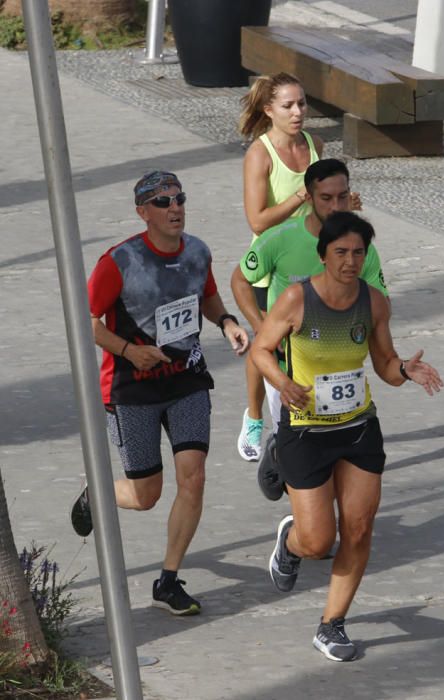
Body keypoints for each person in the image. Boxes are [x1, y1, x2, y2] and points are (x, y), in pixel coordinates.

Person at [251, 211, 443, 661]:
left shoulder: (374, 302)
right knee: (318, 542)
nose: (350, 261)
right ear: (324, 255)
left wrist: (405, 371)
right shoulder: (297, 299)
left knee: (357, 529)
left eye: (359, 252)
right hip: (305, 430)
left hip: (357, 429)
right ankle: (290, 541)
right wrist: (282, 384)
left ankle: (331, 624)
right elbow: (261, 350)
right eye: (341, 252)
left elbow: (384, 364)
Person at [71, 171, 250, 616]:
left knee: (194, 476)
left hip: (187, 380)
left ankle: (168, 580)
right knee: (146, 494)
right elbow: (86, 322)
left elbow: (206, 297)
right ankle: (98, 490)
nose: (175, 208)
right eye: (162, 201)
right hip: (132, 389)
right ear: (142, 213)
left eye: (179, 198)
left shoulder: (197, 251)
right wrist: (130, 351)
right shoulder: (119, 262)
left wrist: (226, 322)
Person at [231, 158, 387, 500]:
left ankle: (283, 464)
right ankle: (286, 474)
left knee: (328, 463)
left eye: (342, 197)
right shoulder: (280, 238)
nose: (335, 206)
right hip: (288, 368)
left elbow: (377, 305)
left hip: (340, 369)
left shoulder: (360, 248)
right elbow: (240, 279)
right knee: (302, 453)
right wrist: (263, 329)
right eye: (326, 198)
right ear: (309, 198)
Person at [236, 71, 323, 463]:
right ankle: (255, 417)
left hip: (313, 261)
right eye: (288, 105)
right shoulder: (260, 153)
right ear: (269, 110)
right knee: (265, 344)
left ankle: (314, 418)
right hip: (270, 266)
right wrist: (299, 197)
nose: (297, 112)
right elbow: (256, 220)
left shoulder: (316, 144)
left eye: (302, 103)